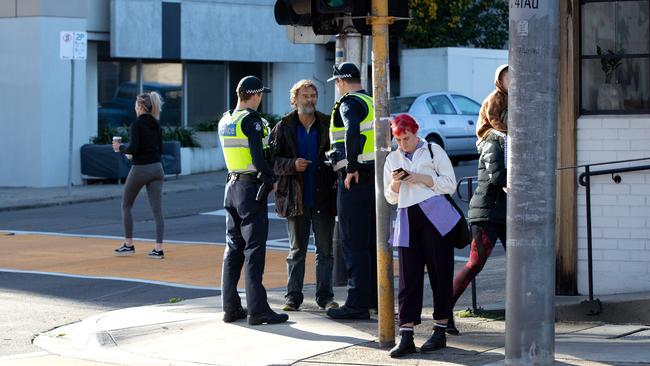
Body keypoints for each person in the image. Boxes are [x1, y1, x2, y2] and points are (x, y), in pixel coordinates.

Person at [383, 114, 459, 357]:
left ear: (416, 133)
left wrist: (420, 178)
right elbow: (389, 197)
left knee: (441, 272)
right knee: (408, 277)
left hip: (436, 213)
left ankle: (440, 328)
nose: (403, 144)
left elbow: (450, 184)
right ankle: (406, 334)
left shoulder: (433, 150)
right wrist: (396, 183)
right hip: (407, 216)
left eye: (406, 138)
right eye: (398, 140)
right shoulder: (392, 158)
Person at [218, 76, 288, 326]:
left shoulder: (227, 119)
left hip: (231, 187)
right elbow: (258, 160)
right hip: (250, 190)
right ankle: (258, 310)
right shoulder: (252, 120)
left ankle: (230, 307)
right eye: (261, 95)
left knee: (232, 249)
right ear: (255, 95)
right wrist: (273, 179)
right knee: (254, 250)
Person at [448, 64, 509, 335]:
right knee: (474, 264)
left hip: (507, 211)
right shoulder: (491, 141)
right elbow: (497, 176)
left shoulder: (511, 141)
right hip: (487, 211)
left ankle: (529, 314)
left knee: (526, 261)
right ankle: (443, 311)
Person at [268, 80, 339, 312]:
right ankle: (292, 297)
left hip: (323, 197)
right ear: (295, 99)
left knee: (325, 252)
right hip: (295, 198)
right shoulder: (283, 126)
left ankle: (325, 298)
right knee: (296, 251)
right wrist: (292, 164)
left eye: (312, 95)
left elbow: (339, 153)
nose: (309, 100)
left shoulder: (327, 123)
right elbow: (272, 161)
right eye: (305, 96)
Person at [325, 62, 377, 320]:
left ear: (340, 82)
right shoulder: (370, 101)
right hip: (373, 179)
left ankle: (357, 304)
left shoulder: (349, 103)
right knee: (370, 244)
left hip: (354, 180)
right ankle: (375, 299)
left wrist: (351, 166)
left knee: (353, 243)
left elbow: (351, 131)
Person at [113, 92, 166, 259]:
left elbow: (133, 148)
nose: (134, 107)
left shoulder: (136, 125)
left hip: (141, 169)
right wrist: (134, 154)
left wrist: (119, 148)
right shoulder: (157, 125)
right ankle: (158, 249)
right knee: (157, 211)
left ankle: (128, 245)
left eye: (136, 104)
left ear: (141, 106)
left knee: (126, 205)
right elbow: (158, 149)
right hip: (157, 169)